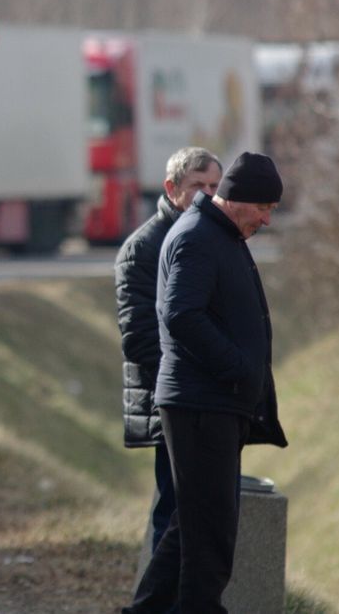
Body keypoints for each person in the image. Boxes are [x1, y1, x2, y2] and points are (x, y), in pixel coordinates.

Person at [123, 152, 289, 614]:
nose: (267, 219)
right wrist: (236, 366)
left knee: (191, 527)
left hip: (212, 405)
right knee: (210, 539)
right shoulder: (198, 237)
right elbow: (181, 315)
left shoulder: (222, 234)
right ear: (239, 200)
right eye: (265, 208)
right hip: (200, 406)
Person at [114, 146, 223, 607]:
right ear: (172, 189)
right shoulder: (144, 246)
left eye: (216, 187)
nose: (208, 196)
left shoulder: (213, 239)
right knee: (174, 512)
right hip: (172, 402)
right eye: (199, 186)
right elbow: (138, 338)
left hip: (207, 402)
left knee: (196, 514)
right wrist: (191, 384)